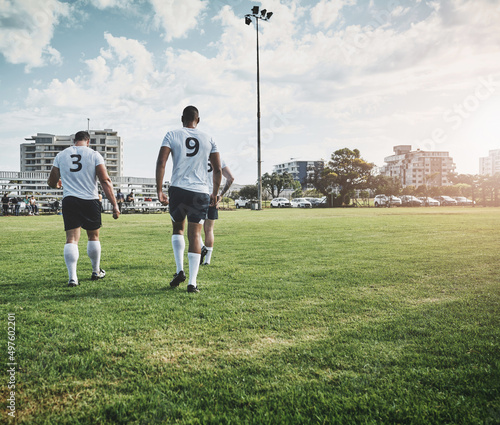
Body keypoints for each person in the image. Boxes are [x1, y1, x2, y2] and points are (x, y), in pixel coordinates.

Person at [156, 105, 221, 293]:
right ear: (198, 120)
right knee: (195, 235)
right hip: (200, 191)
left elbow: (162, 162)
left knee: (177, 229)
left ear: (181, 118)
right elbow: (217, 170)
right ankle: (192, 283)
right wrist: (214, 193)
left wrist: (160, 190)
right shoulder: (209, 138)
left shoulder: (172, 134)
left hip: (178, 189)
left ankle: (179, 270)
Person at [47, 130, 120, 287]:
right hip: (90, 200)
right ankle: (95, 271)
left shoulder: (61, 155)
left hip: (70, 200)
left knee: (71, 239)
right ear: (88, 141)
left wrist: (57, 184)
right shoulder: (94, 154)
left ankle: (73, 278)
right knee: (93, 237)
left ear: (75, 141)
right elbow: (105, 180)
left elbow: (51, 181)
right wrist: (114, 205)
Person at [199, 159, 234, 265]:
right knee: (209, 230)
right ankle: (207, 261)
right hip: (213, 196)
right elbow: (231, 178)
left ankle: (202, 247)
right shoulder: (219, 159)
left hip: (199, 194)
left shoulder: (198, 156)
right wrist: (221, 195)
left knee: (194, 229)